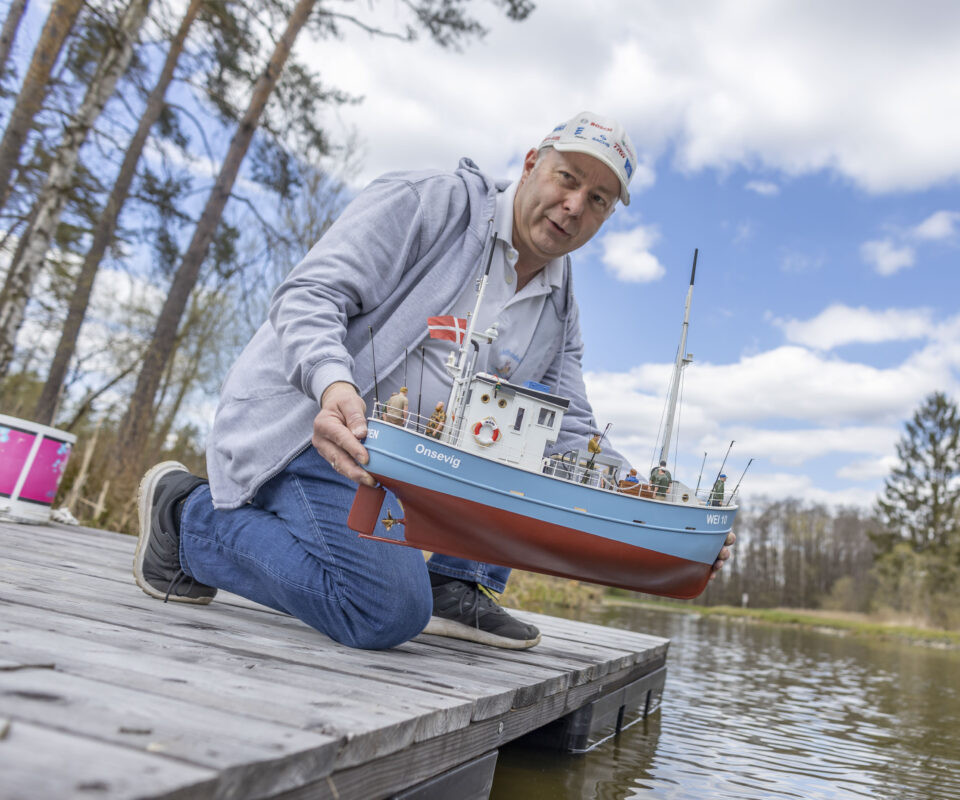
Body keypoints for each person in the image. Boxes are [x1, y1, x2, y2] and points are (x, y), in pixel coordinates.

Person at [132, 111, 736, 653]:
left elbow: (568, 422)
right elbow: (309, 295)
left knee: (518, 447)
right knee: (384, 611)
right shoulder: (429, 202)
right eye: (568, 179)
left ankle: (456, 582)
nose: (576, 205)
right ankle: (187, 516)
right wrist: (331, 385)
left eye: (600, 199)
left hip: (420, 470)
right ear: (531, 165)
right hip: (316, 433)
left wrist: (660, 504)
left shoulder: (560, 299)